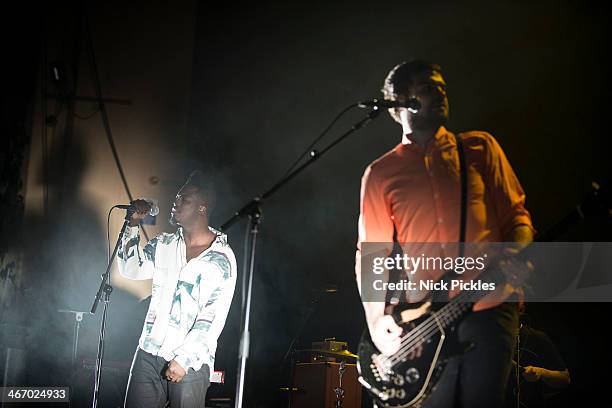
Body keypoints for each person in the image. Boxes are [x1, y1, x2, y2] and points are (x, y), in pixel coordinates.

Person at [355, 60, 535, 407]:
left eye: (442, 87)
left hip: (491, 303)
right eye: (427, 87)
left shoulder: (480, 148)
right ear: (399, 101)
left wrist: (517, 253)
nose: (440, 93)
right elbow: (372, 255)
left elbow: (518, 218)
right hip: (426, 320)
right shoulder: (380, 173)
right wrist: (376, 320)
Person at [118, 170, 237, 408]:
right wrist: (132, 224)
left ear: (202, 208)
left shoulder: (221, 258)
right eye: (176, 197)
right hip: (148, 354)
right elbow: (131, 269)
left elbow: (213, 317)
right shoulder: (164, 244)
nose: (176, 202)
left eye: (184, 199)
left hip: (190, 363)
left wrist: (184, 358)